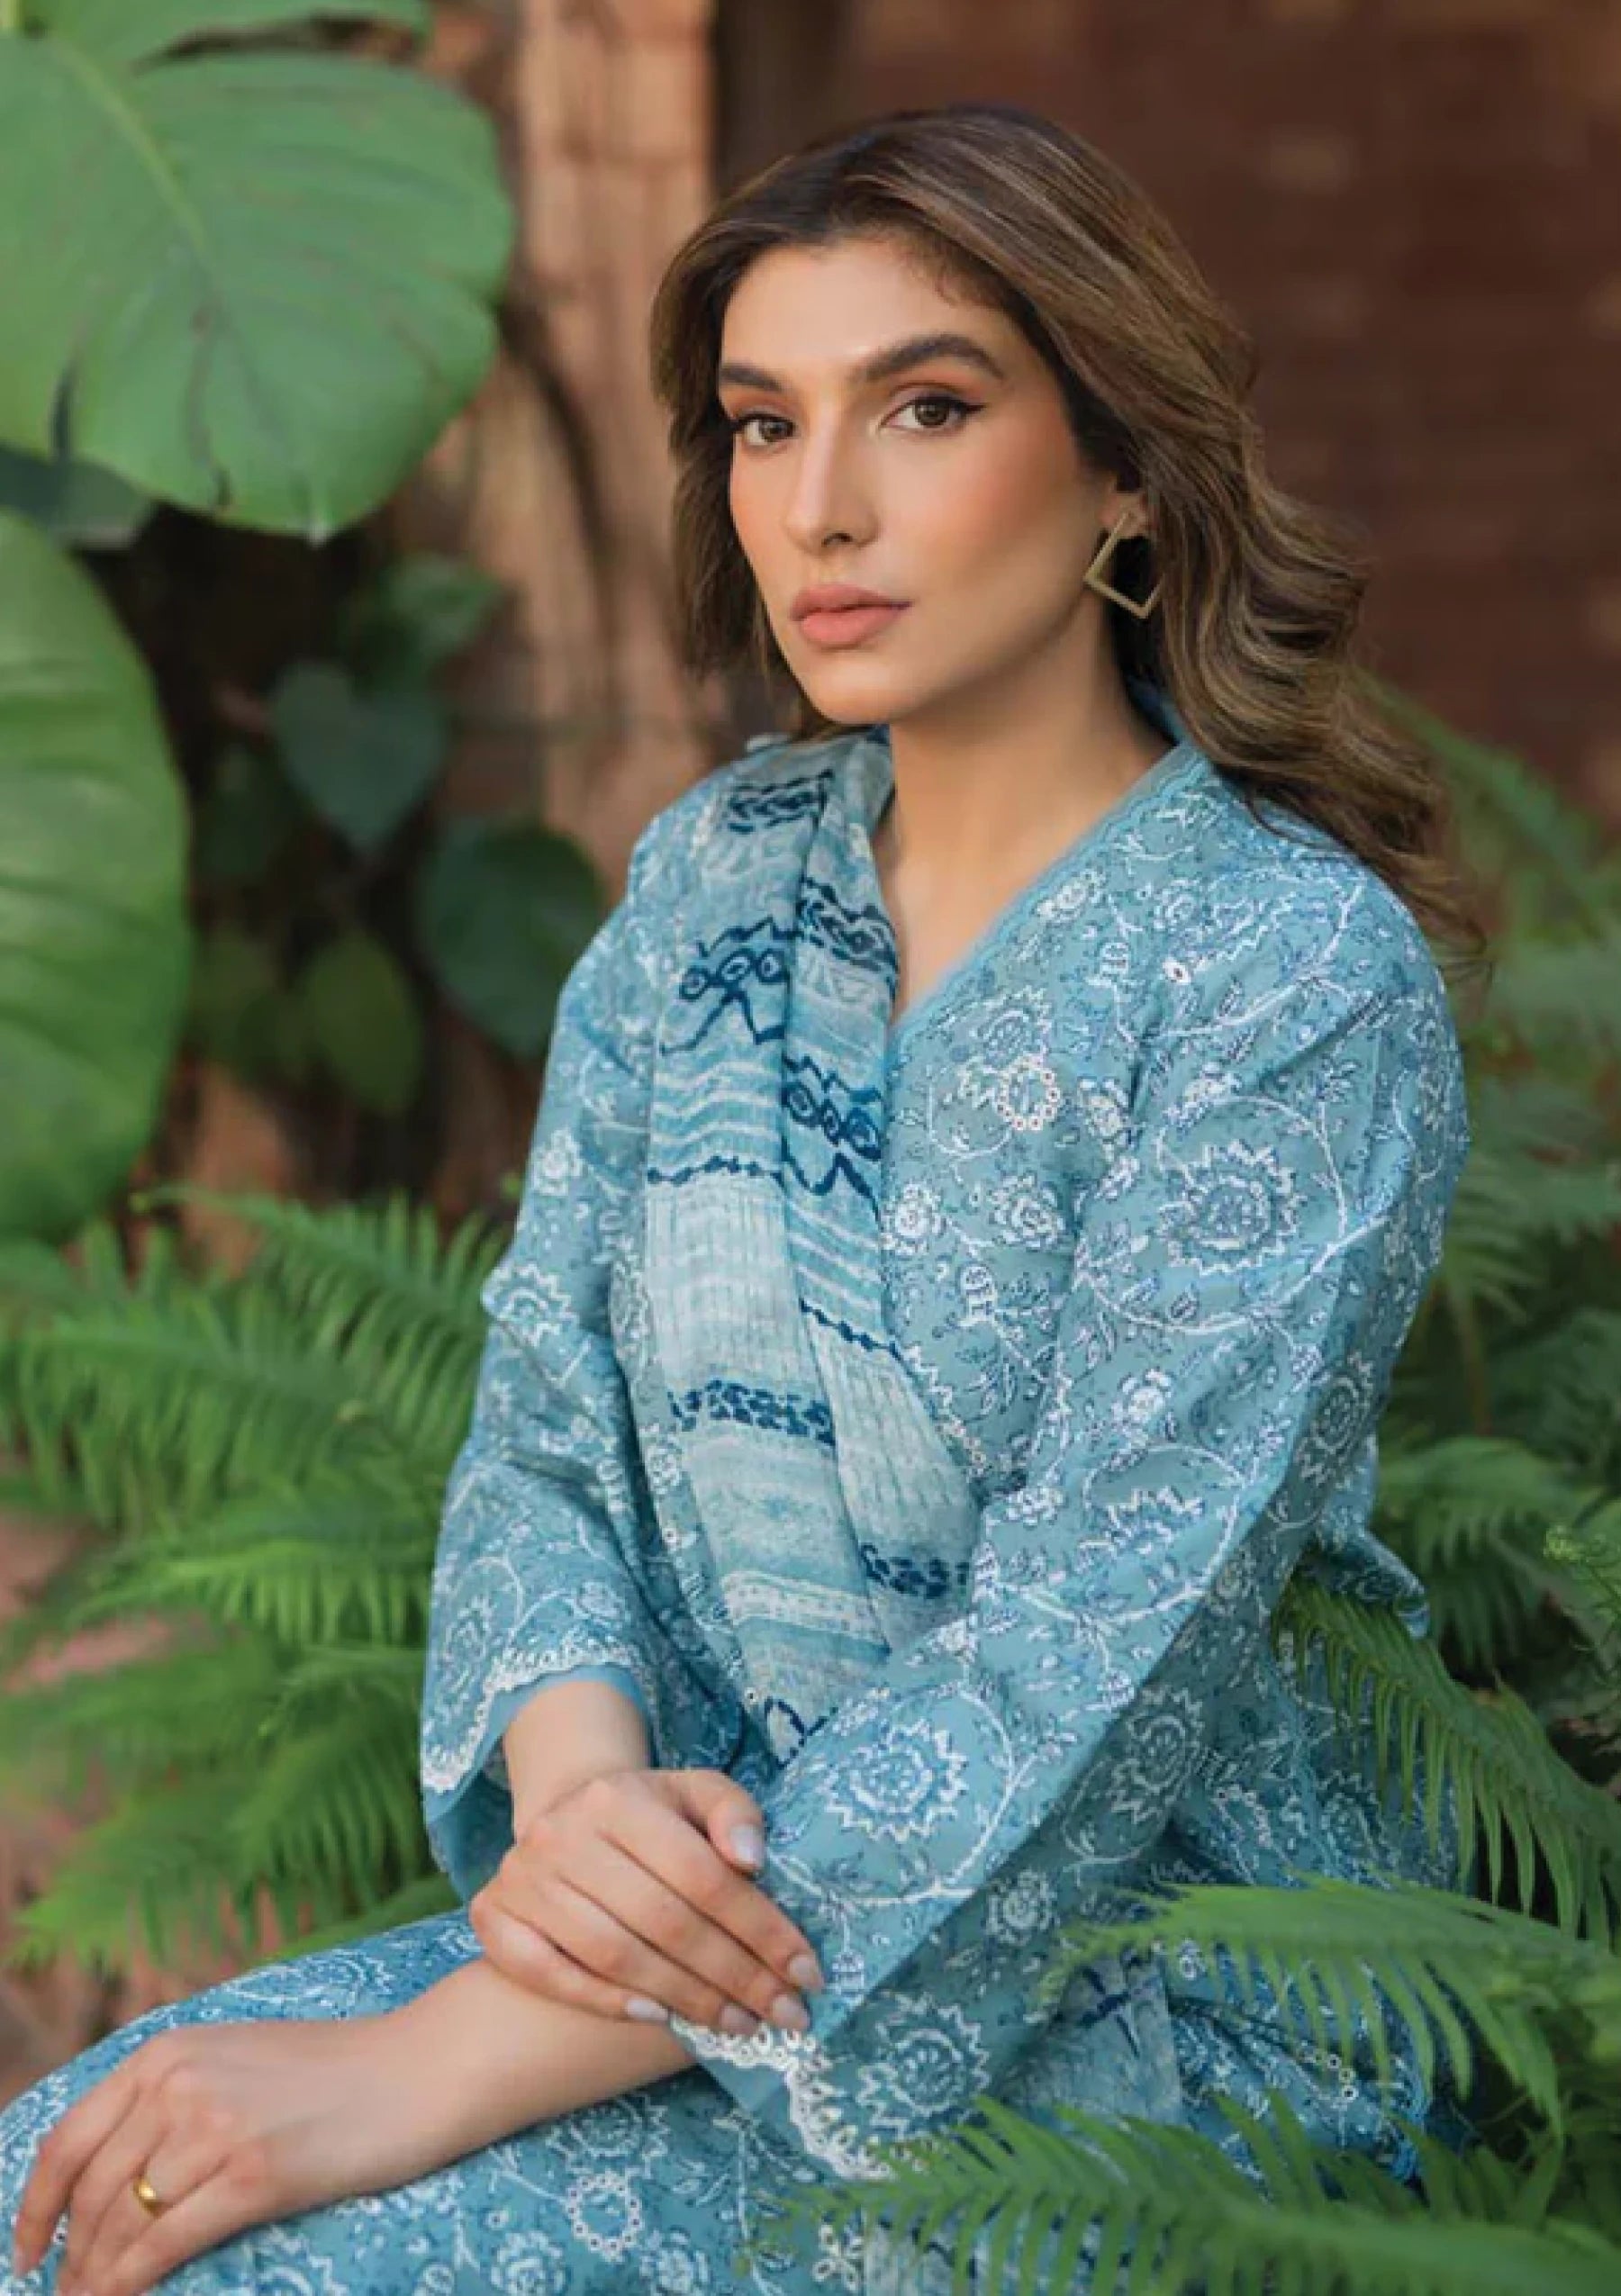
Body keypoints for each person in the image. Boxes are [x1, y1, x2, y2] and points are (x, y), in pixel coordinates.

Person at [0, 98, 1488, 2296]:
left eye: (927, 407)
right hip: (679, 1930)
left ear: (1124, 469)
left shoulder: (1284, 980)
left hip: (1173, 2014)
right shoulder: (709, 893)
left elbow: (1090, 1668)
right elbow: (546, 1425)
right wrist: (584, 1796)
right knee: (56, 2188)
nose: (820, 507)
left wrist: (421, 2066)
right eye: (764, 422)